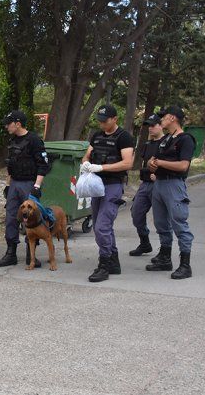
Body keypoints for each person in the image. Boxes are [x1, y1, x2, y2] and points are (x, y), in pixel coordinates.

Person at [80, 104, 135, 282]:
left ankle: (103, 265)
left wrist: (102, 167)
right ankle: (113, 261)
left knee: (102, 227)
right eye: (100, 121)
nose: (102, 124)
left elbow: (128, 163)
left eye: (105, 121)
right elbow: (87, 154)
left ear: (115, 119)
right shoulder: (96, 136)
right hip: (96, 184)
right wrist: (86, 164)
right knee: (100, 226)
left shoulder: (124, 137)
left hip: (113, 185)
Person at [0, 110, 50, 268]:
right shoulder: (12, 140)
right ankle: (10, 253)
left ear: (18, 123)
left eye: (9, 123)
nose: (6, 126)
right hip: (14, 183)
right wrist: (8, 184)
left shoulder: (34, 140)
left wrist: (37, 186)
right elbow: (11, 164)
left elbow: (43, 165)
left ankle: (30, 255)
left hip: (29, 184)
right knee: (11, 217)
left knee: (31, 219)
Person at [145, 106, 196, 279]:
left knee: (179, 224)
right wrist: (152, 164)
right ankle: (165, 258)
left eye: (164, 117)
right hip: (158, 184)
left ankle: (185, 265)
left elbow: (183, 165)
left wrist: (159, 163)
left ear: (173, 118)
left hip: (174, 185)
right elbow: (154, 160)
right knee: (161, 223)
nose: (161, 120)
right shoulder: (166, 138)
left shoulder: (185, 139)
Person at [129, 113, 164, 257]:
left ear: (161, 125)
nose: (150, 128)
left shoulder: (166, 143)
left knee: (161, 219)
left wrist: (160, 174)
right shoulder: (147, 145)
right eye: (149, 126)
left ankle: (164, 251)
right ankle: (145, 243)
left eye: (153, 125)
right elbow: (145, 164)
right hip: (145, 184)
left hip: (159, 184)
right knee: (136, 213)